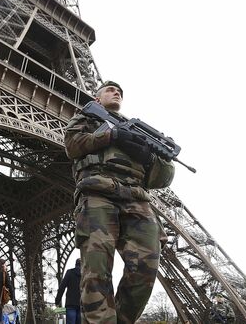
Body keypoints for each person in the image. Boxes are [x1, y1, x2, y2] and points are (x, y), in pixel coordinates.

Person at [64, 81, 175, 323]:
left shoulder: (140, 133)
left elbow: (164, 178)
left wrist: (149, 156)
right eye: (110, 89)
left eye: (120, 92)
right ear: (97, 96)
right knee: (96, 271)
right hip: (98, 193)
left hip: (137, 199)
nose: (117, 92)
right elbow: (72, 146)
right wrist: (111, 135)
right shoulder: (88, 118)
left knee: (145, 271)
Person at [54, 258, 82, 324]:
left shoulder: (70, 272)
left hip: (70, 304)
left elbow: (62, 287)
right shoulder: (86, 274)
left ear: (75, 264)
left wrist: (57, 301)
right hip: (82, 305)